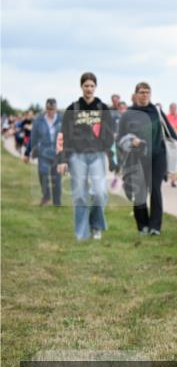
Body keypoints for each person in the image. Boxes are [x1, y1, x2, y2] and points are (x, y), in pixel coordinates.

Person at [116, 82, 177, 235]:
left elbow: (170, 131)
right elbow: (120, 138)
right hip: (136, 157)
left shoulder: (156, 111)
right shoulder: (128, 115)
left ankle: (155, 227)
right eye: (142, 92)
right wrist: (131, 141)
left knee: (155, 189)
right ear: (136, 94)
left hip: (158, 155)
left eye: (147, 92)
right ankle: (142, 225)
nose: (144, 95)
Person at [57, 73, 115, 241]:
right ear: (81, 87)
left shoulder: (103, 108)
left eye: (92, 86)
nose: (89, 89)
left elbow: (110, 135)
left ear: (95, 87)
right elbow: (64, 136)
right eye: (86, 85)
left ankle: (96, 225)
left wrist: (111, 158)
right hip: (77, 156)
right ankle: (82, 233)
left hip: (97, 155)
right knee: (80, 195)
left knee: (99, 192)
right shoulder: (73, 109)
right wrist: (62, 160)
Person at [24, 98, 63, 206]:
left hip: (57, 153)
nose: (50, 111)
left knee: (57, 179)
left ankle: (57, 202)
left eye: (53, 109)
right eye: (48, 109)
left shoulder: (61, 119)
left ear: (56, 109)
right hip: (43, 152)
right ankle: (46, 196)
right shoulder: (38, 121)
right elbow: (33, 138)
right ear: (45, 108)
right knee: (42, 173)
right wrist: (27, 153)